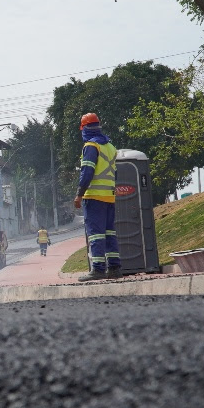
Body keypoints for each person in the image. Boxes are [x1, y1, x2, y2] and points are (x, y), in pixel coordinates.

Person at [74, 112, 121, 281]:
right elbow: (115, 174)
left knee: (95, 234)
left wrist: (79, 195)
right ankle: (114, 268)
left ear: (84, 129)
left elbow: (87, 172)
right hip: (109, 197)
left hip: (94, 197)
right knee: (109, 233)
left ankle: (98, 269)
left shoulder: (91, 146)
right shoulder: (110, 147)